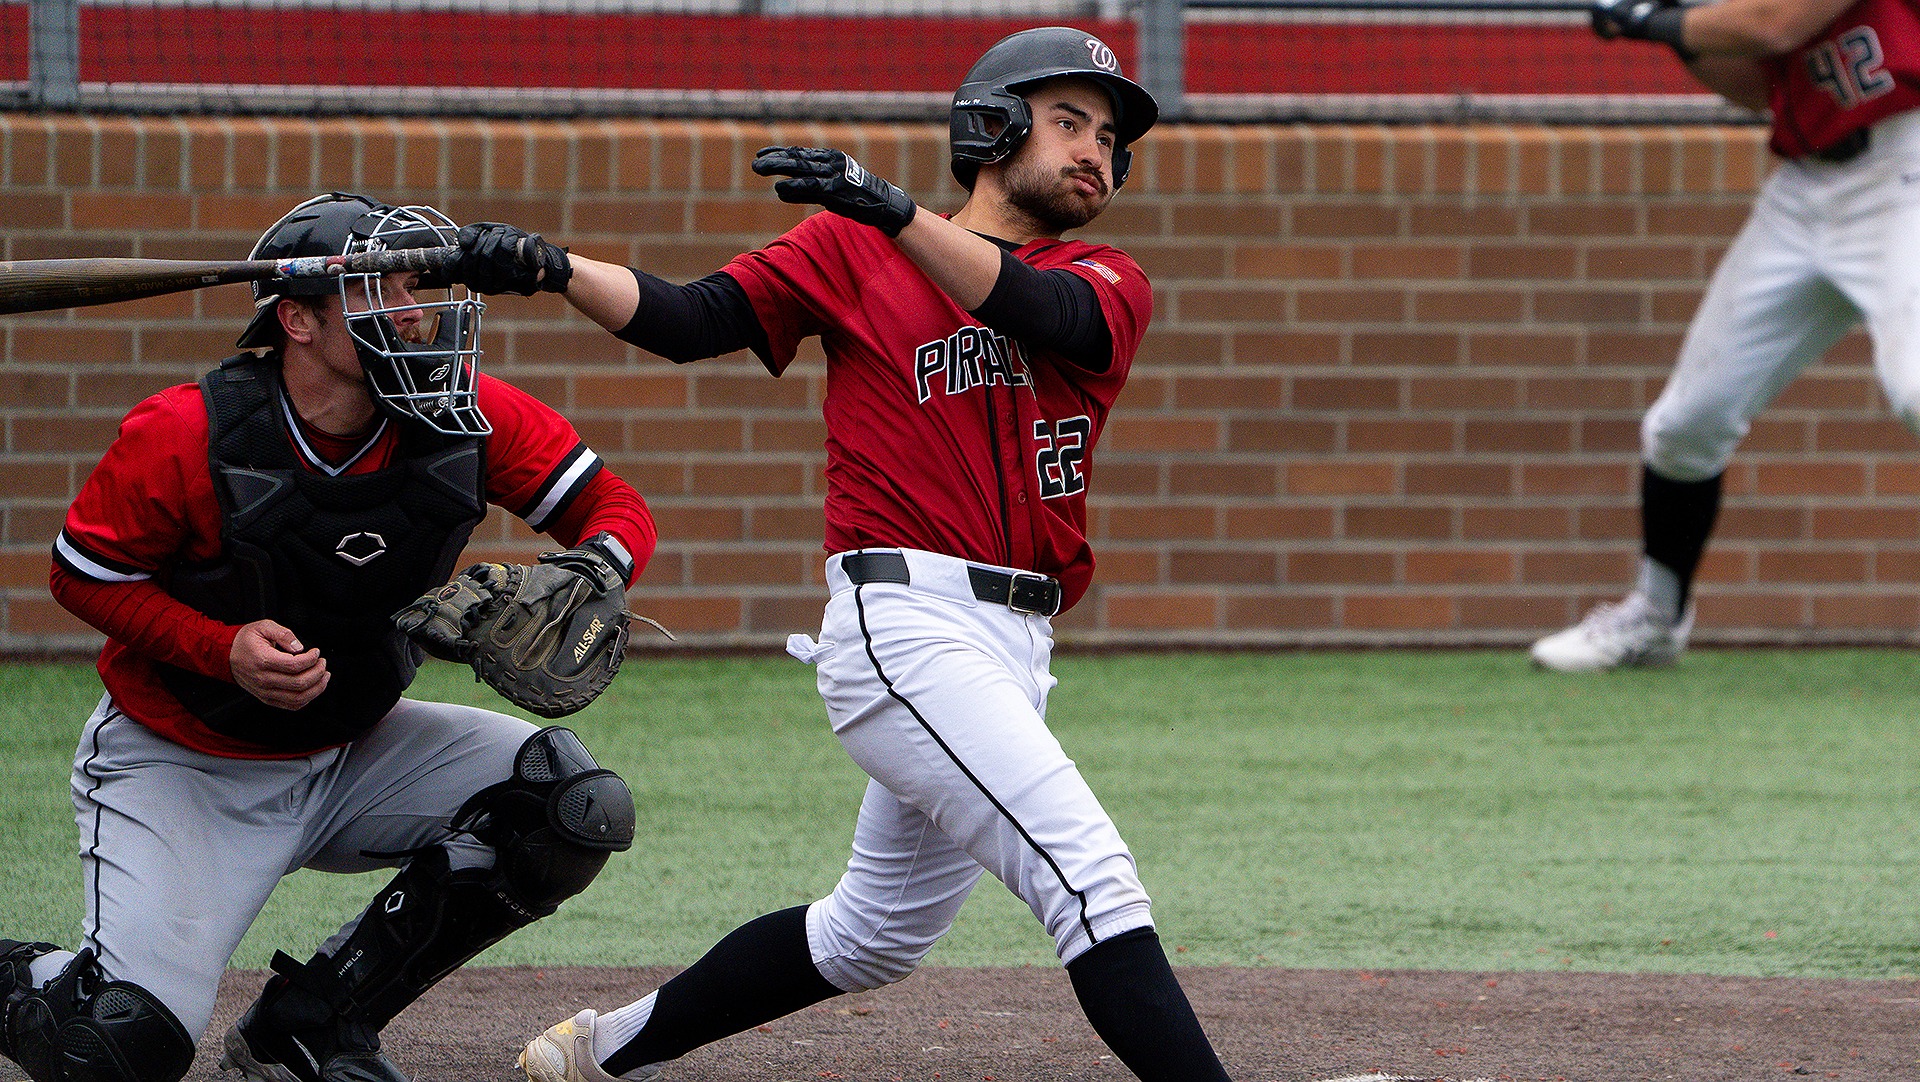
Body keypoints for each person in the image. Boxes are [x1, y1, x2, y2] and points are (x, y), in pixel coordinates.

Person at [446, 25, 1235, 1082]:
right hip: (904, 620)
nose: (1096, 150)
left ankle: (594, 1051)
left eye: (1109, 137)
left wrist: (895, 208)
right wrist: (553, 266)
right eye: (1068, 121)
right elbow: (691, 317)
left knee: (870, 935)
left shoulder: (1104, 274)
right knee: (1091, 878)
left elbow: (1033, 305)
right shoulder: (851, 248)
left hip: (1016, 640)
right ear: (991, 126)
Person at [0, 192, 655, 1082]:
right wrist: (218, 647)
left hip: (359, 745)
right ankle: (27, 980)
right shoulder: (185, 431)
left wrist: (593, 568)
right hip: (187, 760)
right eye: (380, 288)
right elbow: (83, 576)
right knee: (117, 1046)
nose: (415, 308)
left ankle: (310, 1024)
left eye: (414, 284)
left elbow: (613, 510)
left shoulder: (464, 411)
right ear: (298, 319)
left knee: (571, 805)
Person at [1533, 0, 1920, 670]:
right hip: (1805, 192)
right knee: (1686, 423)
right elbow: (1755, 85)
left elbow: (1773, 25)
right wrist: (1679, 33)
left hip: (1905, 171)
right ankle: (1656, 616)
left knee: (1916, 388)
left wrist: (1651, 16)